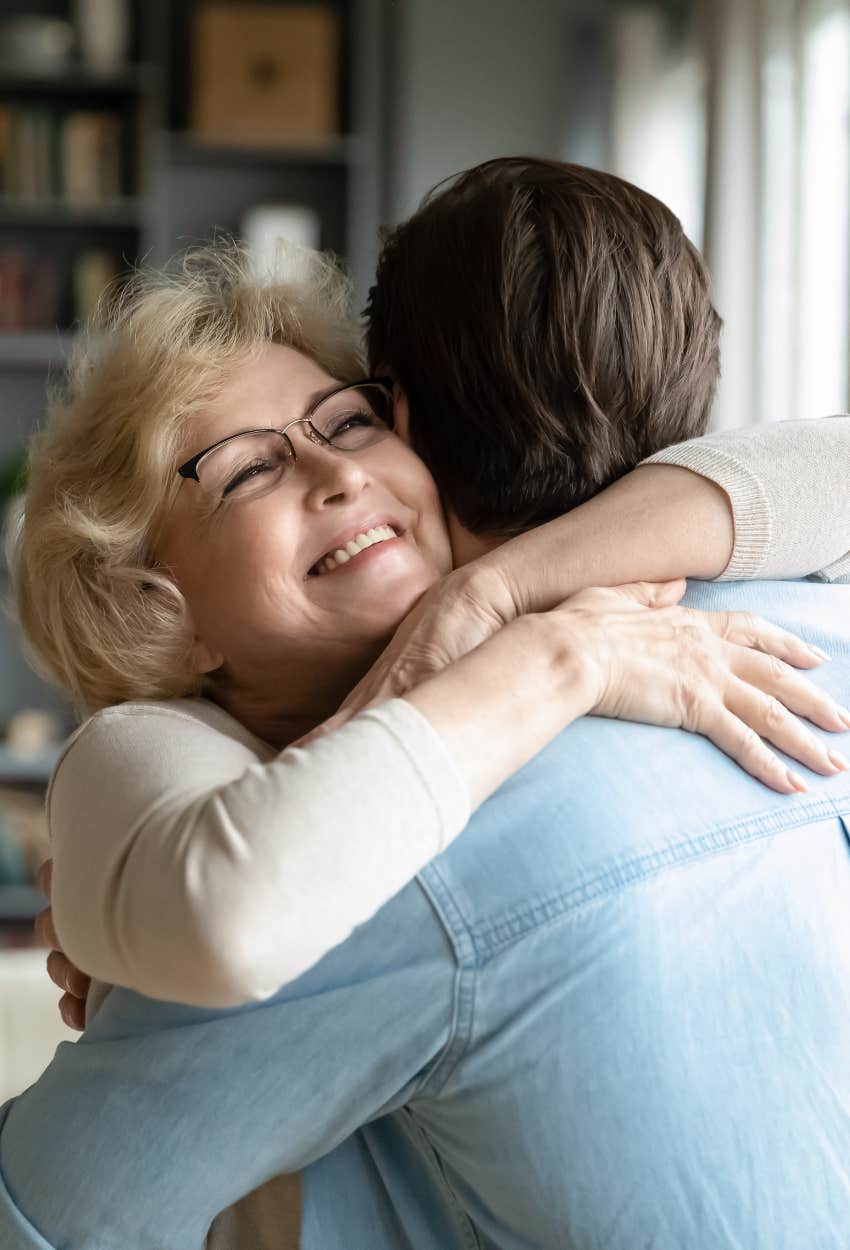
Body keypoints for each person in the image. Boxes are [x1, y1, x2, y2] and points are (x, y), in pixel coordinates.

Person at [1, 160, 849, 1250]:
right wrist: (534, 648)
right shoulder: (173, 763)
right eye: (250, 469)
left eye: (347, 423)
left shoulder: (699, 623)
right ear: (152, 602)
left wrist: (494, 600)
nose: (335, 473)